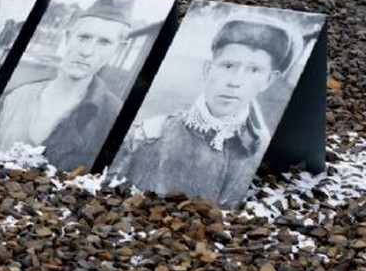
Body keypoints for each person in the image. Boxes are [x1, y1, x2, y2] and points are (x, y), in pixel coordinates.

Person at [109, 18, 297, 208]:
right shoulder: (145, 136)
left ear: (268, 80)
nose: (235, 81)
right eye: (228, 66)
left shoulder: (266, 151)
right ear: (208, 69)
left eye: (254, 70)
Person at [0, 0, 134, 172]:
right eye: (83, 37)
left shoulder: (114, 115)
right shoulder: (15, 98)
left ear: (118, 49)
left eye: (104, 42)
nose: (87, 51)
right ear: (68, 38)